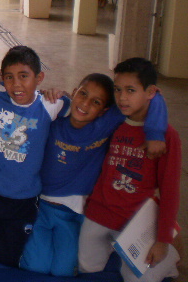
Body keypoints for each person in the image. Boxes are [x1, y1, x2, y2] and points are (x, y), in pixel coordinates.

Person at [20, 73, 168, 276]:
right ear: (74, 92)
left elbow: (152, 96)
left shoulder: (105, 124)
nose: (85, 104)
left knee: (63, 271)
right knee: (35, 267)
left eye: (96, 102)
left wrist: (156, 133)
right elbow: (22, 93)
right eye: (83, 94)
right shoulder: (56, 113)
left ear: (104, 111)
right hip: (41, 207)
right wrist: (51, 93)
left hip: (74, 215)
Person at [78, 58, 181, 282]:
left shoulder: (166, 136)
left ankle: (169, 259)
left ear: (150, 92)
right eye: (118, 89)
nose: (122, 98)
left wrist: (163, 240)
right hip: (100, 212)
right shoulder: (114, 122)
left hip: (135, 220)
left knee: (134, 277)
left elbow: (170, 190)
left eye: (131, 90)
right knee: (87, 266)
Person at [0, 46, 69, 267]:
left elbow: (81, 105)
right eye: (9, 77)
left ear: (39, 78)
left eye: (24, 76)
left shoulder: (50, 105)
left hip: (21, 200)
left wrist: (60, 92)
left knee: (7, 258)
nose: (16, 85)